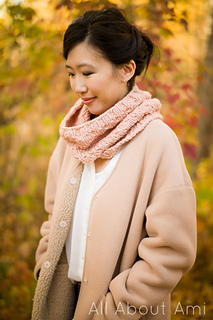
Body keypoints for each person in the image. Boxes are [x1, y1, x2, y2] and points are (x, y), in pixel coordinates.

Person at [31, 7, 197, 320]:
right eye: (71, 73)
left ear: (126, 70)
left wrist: (114, 310)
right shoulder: (72, 137)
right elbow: (54, 217)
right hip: (63, 301)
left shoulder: (157, 141)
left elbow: (172, 250)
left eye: (87, 72)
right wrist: (45, 268)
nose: (78, 86)